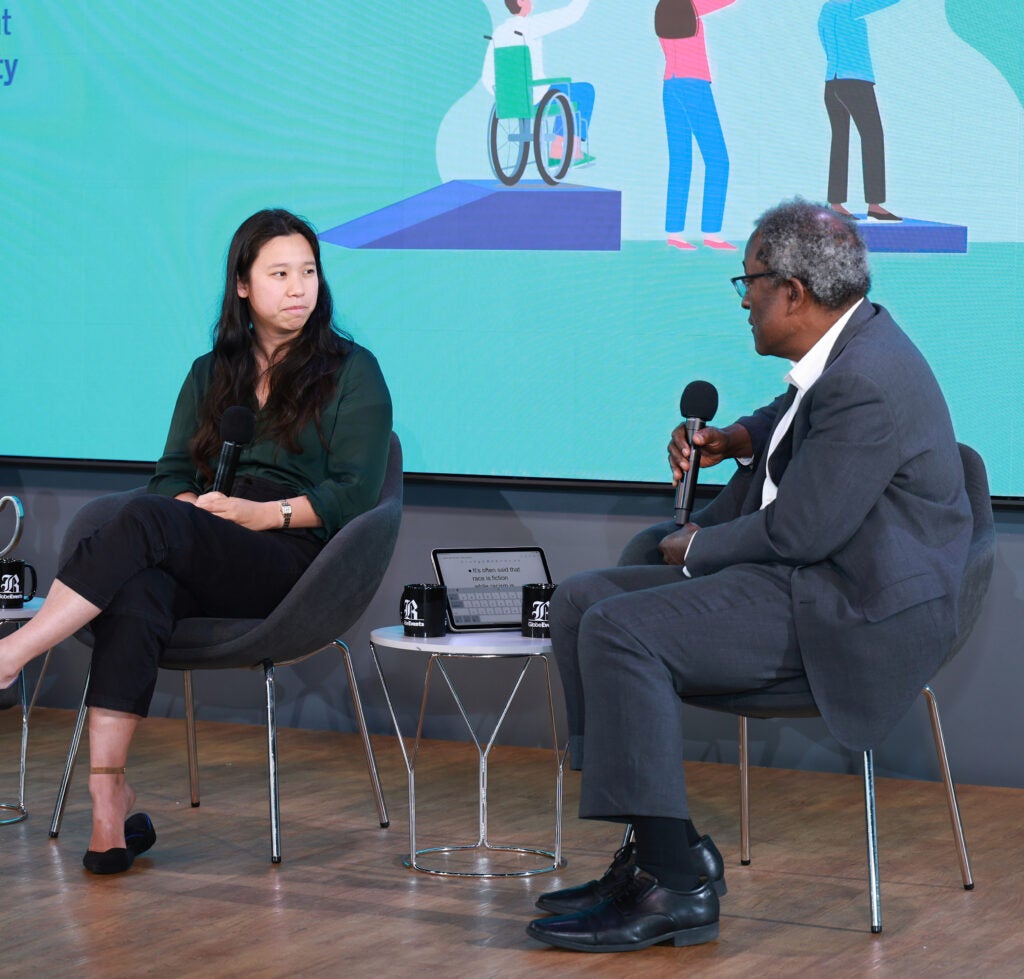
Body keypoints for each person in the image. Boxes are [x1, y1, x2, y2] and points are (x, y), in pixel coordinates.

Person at [527, 199, 970, 952]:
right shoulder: (852, 343)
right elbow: (794, 412)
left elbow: (802, 531)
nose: (744, 300)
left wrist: (697, 546)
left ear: (794, 292)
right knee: (579, 602)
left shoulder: (868, 378)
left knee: (622, 628)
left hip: (847, 603)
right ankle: (657, 845)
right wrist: (735, 438)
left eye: (749, 283)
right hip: (809, 576)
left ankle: (680, 885)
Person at [0, 208, 392, 874]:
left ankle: (12, 652)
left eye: (308, 272)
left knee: (150, 525)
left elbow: (353, 494)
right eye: (279, 273)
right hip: (209, 538)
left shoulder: (353, 371)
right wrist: (194, 507)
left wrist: (252, 515)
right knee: (142, 582)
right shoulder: (211, 372)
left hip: (295, 561)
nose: (300, 287)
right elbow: (170, 475)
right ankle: (106, 807)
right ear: (242, 284)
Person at [657, 0, 738, 251]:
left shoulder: (662, 7)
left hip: (671, 85)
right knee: (718, 160)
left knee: (680, 162)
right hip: (694, 86)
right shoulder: (690, 5)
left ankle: (674, 232)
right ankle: (711, 232)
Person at [481, 0, 595, 164]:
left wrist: (503, 94)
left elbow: (487, 76)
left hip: (509, 100)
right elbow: (571, 15)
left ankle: (561, 148)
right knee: (584, 91)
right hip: (537, 97)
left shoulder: (498, 33)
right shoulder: (529, 27)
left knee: (560, 92)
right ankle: (563, 150)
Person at [819, 0, 903, 220]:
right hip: (855, 82)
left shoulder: (826, 11)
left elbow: (826, 43)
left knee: (840, 141)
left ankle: (835, 202)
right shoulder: (848, 7)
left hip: (832, 82)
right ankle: (874, 204)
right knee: (873, 137)